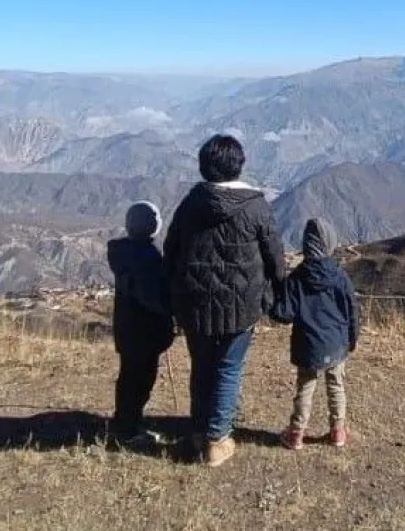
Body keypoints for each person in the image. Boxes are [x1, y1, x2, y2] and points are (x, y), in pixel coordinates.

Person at [164, 134, 286, 466]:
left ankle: (199, 432)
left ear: (204, 166)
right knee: (228, 368)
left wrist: (173, 292)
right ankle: (218, 440)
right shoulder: (255, 206)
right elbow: (274, 255)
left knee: (201, 367)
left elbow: (171, 250)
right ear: (239, 164)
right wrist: (279, 289)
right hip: (242, 306)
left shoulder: (191, 203)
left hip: (195, 305)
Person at [271, 217, 360, 450]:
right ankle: (338, 432)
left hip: (308, 345)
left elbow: (283, 314)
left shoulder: (297, 279)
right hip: (337, 343)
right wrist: (352, 339)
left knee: (305, 388)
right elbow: (352, 310)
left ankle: (296, 434)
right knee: (336, 386)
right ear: (330, 243)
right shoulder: (340, 277)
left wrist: (271, 294)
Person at [106, 201, 175, 448]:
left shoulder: (121, 254)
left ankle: (125, 422)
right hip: (146, 333)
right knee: (140, 381)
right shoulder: (149, 259)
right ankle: (128, 430)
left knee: (128, 378)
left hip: (126, 329)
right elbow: (152, 298)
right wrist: (170, 309)